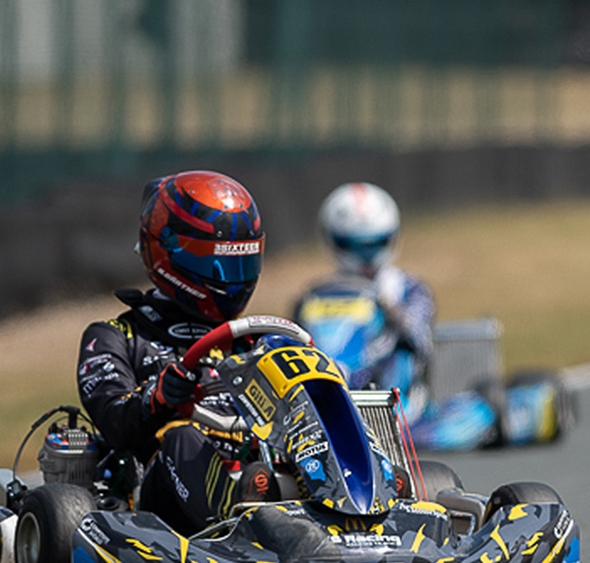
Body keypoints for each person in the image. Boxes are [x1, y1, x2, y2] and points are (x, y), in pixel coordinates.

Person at [76, 170, 278, 535]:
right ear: (173, 253)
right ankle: (236, 532)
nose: (232, 277)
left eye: (240, 263)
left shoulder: (258, 341)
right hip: (159, 496)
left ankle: (364, 513)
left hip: (256, 473)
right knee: (181, 437)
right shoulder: (116, 336)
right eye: (217, 263)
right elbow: (114, 422)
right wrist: (157, 397)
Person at [292, 182, 436, 422]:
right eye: (354, 245)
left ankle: (382, 415)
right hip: (333, 389)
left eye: (376, 243)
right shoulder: (314, 297)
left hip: (396, 400)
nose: (366, 257)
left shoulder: (408, 289)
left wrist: (389, 310)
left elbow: (420, 340)